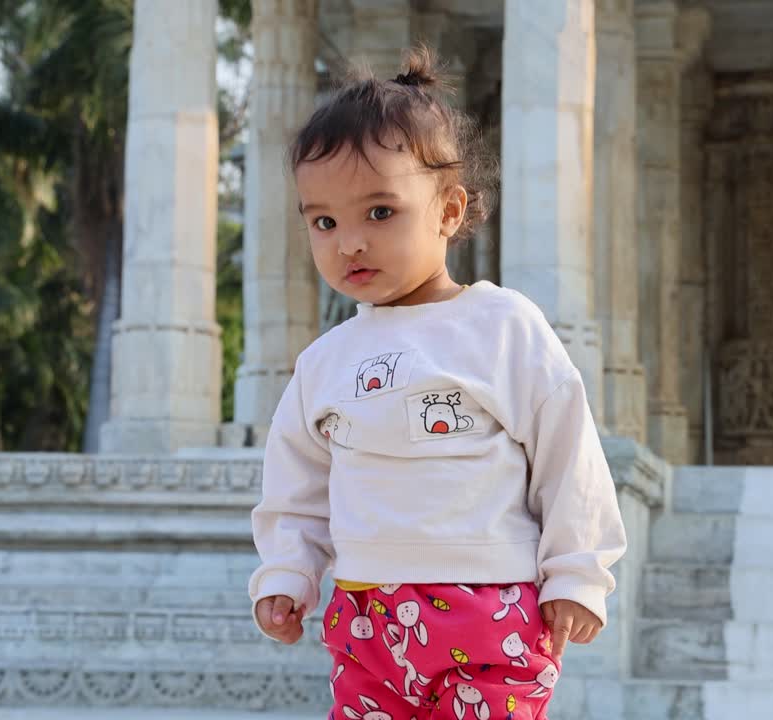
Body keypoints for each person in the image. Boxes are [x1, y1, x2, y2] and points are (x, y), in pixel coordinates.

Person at [248, 46, 626, 719]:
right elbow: (297, 488)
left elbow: (569, 453)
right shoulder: (325, 362)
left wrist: (577, 571)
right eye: (324, 222)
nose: (350, 243)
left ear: (450, 212)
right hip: (366, 620)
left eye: (380, 212)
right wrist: (287, 572)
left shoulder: (501, 326)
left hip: (492, 611)